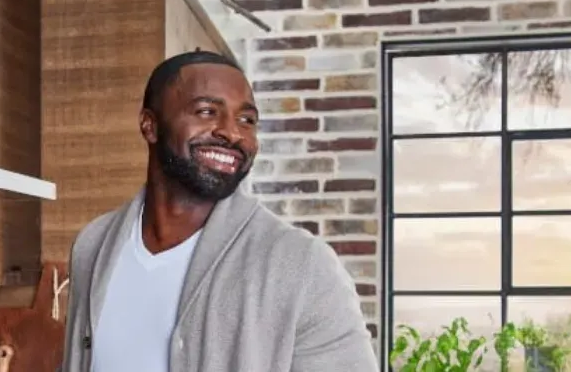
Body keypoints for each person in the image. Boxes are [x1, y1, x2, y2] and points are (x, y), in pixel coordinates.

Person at [58, 51, 378, 372]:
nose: (233, 132)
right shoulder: (93, 245)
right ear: (150, 125)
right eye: (207, 111)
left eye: (247, 120)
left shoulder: (302, 265)